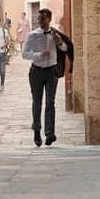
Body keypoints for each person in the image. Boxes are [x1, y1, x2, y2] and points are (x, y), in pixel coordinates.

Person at [21, 8, 73, 147]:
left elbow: (66, 49)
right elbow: (24, 54)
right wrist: (38, 55)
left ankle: (50, 133)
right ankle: (37, 131)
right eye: (39, 19)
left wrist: (59, 43)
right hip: (36, 72)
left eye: (43, 19)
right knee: (37, 102)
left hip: (51, 71)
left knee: (50, 102)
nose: (40, 21)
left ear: (49, 19)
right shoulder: (32, 35)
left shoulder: (55, 34)